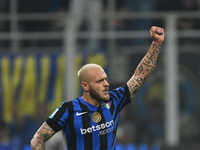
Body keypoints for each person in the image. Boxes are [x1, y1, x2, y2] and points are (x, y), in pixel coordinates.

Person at [30, 26, 165, 150]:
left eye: (105, 79)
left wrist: (156, 44)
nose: (106, 84)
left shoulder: (114, 100)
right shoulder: (68, 110)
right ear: (85, 86)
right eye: (100, 81)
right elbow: (38, 138)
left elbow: (139, 76)